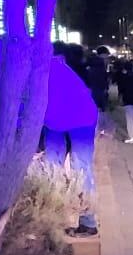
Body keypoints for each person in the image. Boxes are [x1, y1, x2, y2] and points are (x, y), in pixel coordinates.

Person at [40, 49, 102, 237]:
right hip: (71, 119)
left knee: (74, 169)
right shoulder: (58, 68)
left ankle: (85, 220)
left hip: (74, 119)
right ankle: (69, 219)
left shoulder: (41, 72)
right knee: (67, 168)